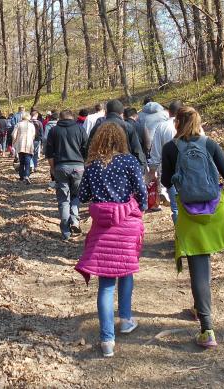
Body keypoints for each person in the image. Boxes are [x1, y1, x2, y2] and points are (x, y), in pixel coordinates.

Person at [161, 106, 224, 349]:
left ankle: (207, 329)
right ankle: (198, 307)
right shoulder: (210, 144)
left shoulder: (171, 148)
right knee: (204, 262)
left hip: (188, 212)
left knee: (198, 264)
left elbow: (165, 181)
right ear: (198, 122)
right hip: (214, 210)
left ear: (177, 123)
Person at [74, 122, 147, 357]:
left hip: (102, 226)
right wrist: (141, 207)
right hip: (127, 224)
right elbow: (142, 191)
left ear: (99, 141)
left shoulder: (93, 165)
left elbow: (83, 195)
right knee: (126, 271)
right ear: (121, 140)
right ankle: (126, 320)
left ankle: (107, 341)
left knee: (105, 285)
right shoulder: (129, 162)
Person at [45, 110, 89, 240]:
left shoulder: (54, 131)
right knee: (76, 195)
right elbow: (86, 149)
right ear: (73, 118)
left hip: (61, 167)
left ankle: (65, 231)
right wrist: (85, 165)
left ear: (60, 118)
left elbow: (49, 153)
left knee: (64, 199)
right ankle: (75, 220)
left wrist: (52, 168)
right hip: (78, 167)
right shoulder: (80, 129)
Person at [149, 100, 183, 223]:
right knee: (192, 205)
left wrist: (152, 169)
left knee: (176, 208)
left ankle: (180, 235)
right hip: (191, 171)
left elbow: (156, 150)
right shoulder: (193, 126)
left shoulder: (162, 126)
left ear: (169, 112)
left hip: (170, 171)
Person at [89, 100, 145, 172]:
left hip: (101, 168)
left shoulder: (97, 127)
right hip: (124, 168)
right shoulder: (128, 127)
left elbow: (89, 148)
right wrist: (141, 167)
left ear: (106, 112)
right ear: (122, 113)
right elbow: (137, 150)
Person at [12, 112, 35, 185]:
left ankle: (21, 176)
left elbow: (13, 135)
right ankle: (27, 175)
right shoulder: (31, 125)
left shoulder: (18, 124)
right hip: (29, 144)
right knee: (27, 161)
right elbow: (33, 135)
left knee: (21, 161)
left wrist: (13, 143)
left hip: (20, 144)